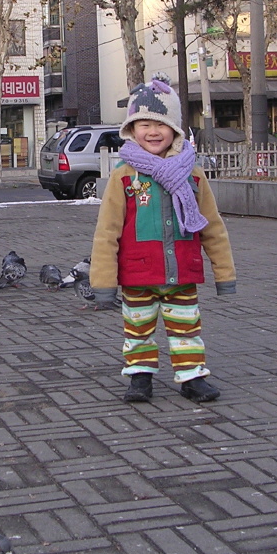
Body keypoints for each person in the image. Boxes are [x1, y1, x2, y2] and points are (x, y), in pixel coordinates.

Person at [90, 72, 236, 404]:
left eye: (161, 124)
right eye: (144, 124)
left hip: (182, 272)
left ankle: (192, 378)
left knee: (187, 329)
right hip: (137, 274)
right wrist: (103, 282)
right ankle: (140, 378)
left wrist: (225, 274)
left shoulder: (192, 174)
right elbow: (107, 233)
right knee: (138, 329)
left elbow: (212, 227)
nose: (153, 132)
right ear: (131, 129)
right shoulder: (124, 176)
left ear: (175, 129)